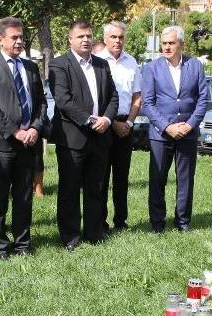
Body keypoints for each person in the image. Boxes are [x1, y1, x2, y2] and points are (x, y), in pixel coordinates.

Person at [0, 17, 48, 260]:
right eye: (14, 37)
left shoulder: (31, 67)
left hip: (28, 143)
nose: (19, 41)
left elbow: (41, 103)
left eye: (21, 37)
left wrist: (35, 128)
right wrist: (15, 131)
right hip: (0, 144)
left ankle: (23, 244)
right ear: (0, 39)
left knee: (24, 197)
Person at [49, 20, 117, 250]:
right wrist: (90, 120)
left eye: (88, 35)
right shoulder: (59, 65)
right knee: (69, 190)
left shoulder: (102, 64)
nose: (86, 40)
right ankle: (70, 236)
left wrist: (107, 119)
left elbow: (113, 96)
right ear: (70, 40)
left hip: (100, 136)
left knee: (96, 187)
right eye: (80, 36)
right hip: (72, 137)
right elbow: (63, 100)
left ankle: (94, 233)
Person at [140, 25, 207, 233]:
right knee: (157, 179)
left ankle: (183, 221)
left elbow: (202, 99)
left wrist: (190, 125)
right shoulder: (152, 68)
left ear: (182, 45)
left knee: (185, 179)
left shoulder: (195, 66)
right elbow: (148, 103)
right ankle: (157, 223)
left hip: (187, 133)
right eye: (164, 43)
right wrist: (167, 127)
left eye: (171, 43)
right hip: (161, 134)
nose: (167, 47)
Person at [96, 21, 141, 233]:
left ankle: (121, 221)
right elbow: (96, 99)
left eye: (121, 37)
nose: (117, 41)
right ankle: (101, 222)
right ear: (105, 39)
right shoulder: (97, 61)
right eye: (113, 37)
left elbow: (137, 97)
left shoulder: (132, 62)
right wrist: (112, 123)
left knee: (122, 177)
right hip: (105, 125)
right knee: (102, 176)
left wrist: (129, 123)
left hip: (126, 125)